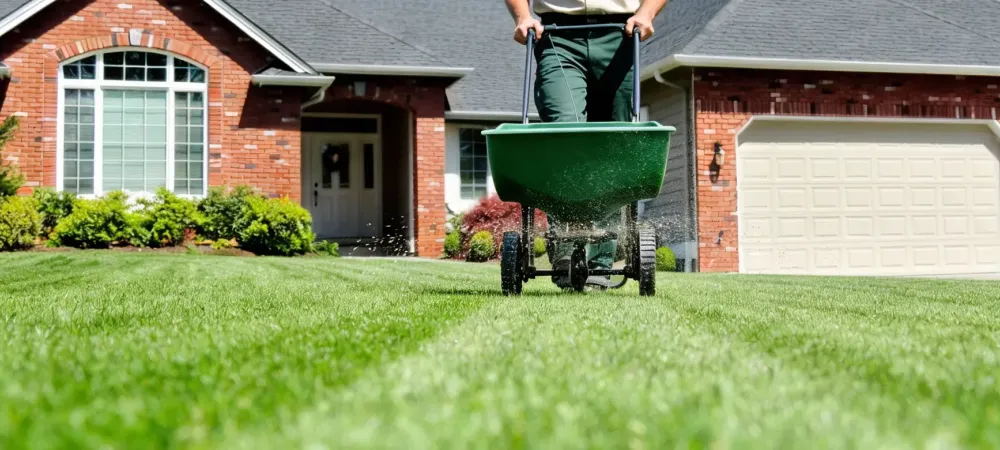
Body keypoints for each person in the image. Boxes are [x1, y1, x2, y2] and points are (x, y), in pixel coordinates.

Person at [504, 0, 667, 290]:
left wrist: (647, 12)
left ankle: (601, 261)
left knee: (613, 143)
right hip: (558, 35)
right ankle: (565, 253)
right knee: (565, 136)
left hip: (620, 34)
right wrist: (523, 16)